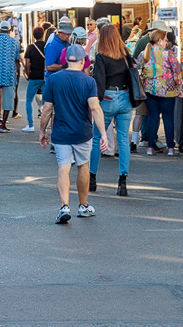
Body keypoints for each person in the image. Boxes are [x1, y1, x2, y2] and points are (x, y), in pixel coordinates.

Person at [37, 43, 107, 224]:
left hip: (61, 132)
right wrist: (104, 134)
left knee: (63, 166)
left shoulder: (54, 79)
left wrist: (43, 131)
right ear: (83, 60)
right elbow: (95, 108)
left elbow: (47, 109)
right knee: (83, 166)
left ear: (67, 59)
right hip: (83, 132)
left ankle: (64, 207)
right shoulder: (89, 81)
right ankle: (83, 206)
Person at [90, 23, 135, 197]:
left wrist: (95, 102)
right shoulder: (126, 55)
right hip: (125, 97)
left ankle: (92, 177)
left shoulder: (101, 56)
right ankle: (122, 180)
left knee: (96, 138)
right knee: (123, 140)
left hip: (108, 97)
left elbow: (99, 82)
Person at [140, 21, 182, 155]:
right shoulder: (168, 54)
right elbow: (177, 71)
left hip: (150, 90)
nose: (166, 42)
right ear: (159, 40)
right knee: (168, 118)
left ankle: (150, 148)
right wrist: (179, 87)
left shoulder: (144, 53)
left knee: (153, 117)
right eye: (164, 39)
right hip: (168, 90)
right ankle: (170, 148)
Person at [23, 23, 48, 131]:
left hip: (34, 76)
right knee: (46, 102)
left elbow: (27, 64)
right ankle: (45, 126)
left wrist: (28, 75)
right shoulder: (47, 46)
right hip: (45, 76)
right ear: (43, 34)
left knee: (29, 99)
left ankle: (30, 124)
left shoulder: (30, 47)